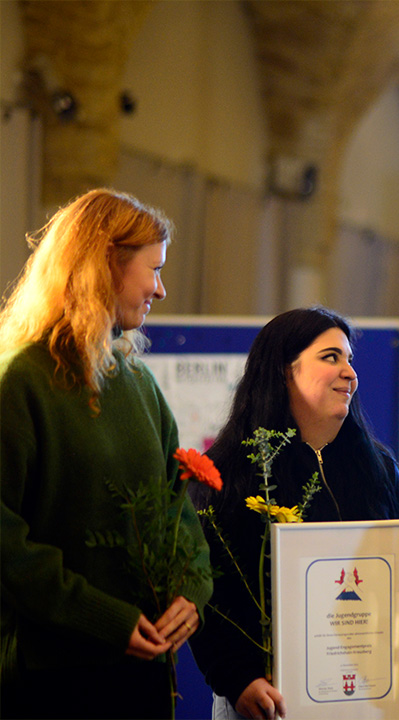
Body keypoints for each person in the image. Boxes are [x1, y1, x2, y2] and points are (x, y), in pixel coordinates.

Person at [0, 188, 212, 719]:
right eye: (154, 270)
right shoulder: (21, 380)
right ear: (104, 267)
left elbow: (174, 505)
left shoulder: (138, 381)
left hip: (139, 672)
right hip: (47, 676)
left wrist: (191, 588)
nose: (160, 290)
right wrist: (102, 618)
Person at [188, 306, 399, 720]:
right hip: (266, 699)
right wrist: (237, 680)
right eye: (331, 357)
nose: (350, 373)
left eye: (349, 360)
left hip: (364, 692)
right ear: (284, 371)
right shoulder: (228, 472)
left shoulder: (376, 465)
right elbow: (204, 592)